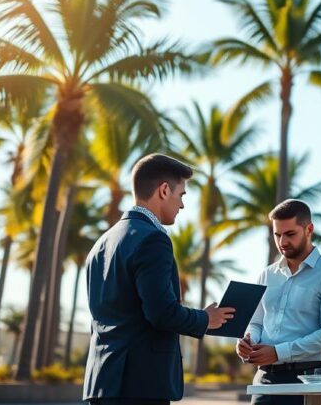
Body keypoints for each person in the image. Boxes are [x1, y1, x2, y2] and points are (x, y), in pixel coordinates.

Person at [84, 154, 234, 405]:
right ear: (164, 190)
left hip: (101, 383)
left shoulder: (102, 243)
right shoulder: (153, 239)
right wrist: (206, 319)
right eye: (182, 195)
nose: (183, 205)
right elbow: (161, 313)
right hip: (140, 387)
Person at [237, 199, 321, 405]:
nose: (282, 242)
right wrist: (248, 342)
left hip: (308, 380)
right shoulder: (267, 275)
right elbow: (256, 323)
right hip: (264, 379)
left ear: (309, 229)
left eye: (290, 234)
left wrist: (278, 352)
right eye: (277, 234)